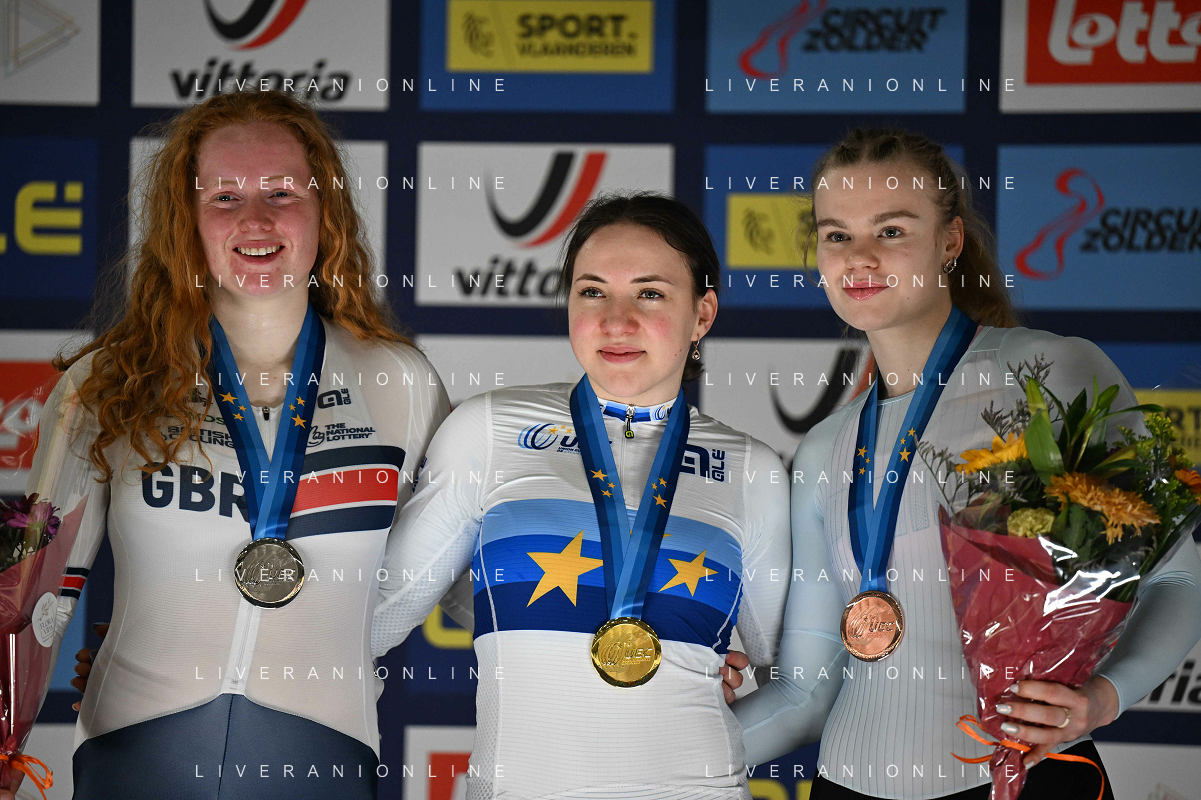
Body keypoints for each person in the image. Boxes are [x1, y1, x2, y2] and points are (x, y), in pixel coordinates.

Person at [730, 128, 1201, 799]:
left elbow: (1176, 579)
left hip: (1023, 778)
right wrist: (645, 762)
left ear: (949, 241)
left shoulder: (1047, 372)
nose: (859, 256)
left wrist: (1102, 699)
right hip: (844, 785)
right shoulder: (823, 448)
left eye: (891, 230)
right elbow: (803, 694)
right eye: (836, 235)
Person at [14, 90, 448, 800]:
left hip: (326, 751)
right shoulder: (109, 382)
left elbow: (448, 575)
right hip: (137, 749)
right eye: (223, 197)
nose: (255, 219)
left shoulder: (400, 382)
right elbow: (32, 595)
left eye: (282, 192)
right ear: (185, 220)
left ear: (326, 210)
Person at [370, 192, 792, 799]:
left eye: (650, 294)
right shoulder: (489, 430)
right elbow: (376, 616)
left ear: (702, 314)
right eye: (593, 291)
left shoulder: (750, 469)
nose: (616, 321)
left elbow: (793, 682)